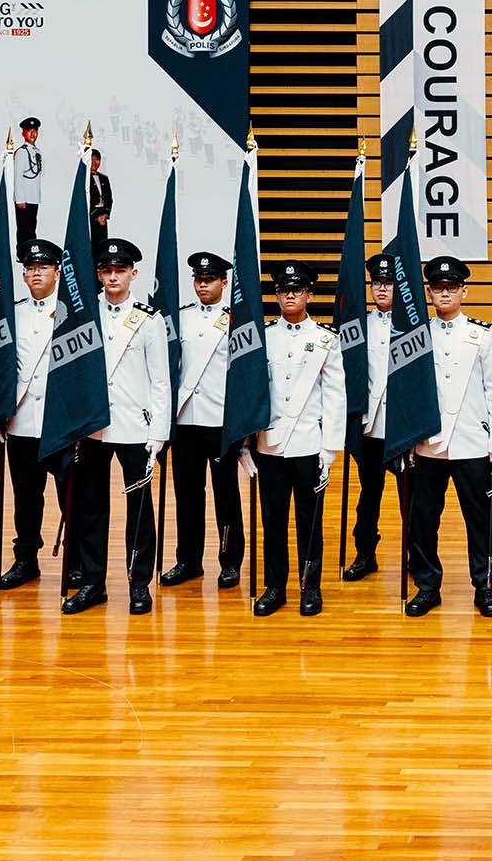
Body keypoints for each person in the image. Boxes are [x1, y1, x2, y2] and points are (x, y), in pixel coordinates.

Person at [62, 238, 169, 616]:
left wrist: (158, 433)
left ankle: (139, 583)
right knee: (90, 508)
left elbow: (160, 380)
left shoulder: (148, 319)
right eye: (106, 270)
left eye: (119, 270)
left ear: (132, 274)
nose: (112, 276)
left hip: (134, 427)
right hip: (92, 427)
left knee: (139, 509)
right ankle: (93, 583)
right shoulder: (86, 314)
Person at [405, 256, 492, 618]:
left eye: (451, 287)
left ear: (464, 290)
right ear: (429, 292)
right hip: (428, 445)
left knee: (481, 521)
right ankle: (427, 586)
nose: (444, 292)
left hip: (471, 444)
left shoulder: (483, 334)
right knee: (423, 521)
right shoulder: (418, 335)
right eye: (437, 287)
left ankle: (485, 586)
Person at [250, 259, 346, 617]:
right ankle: (274, 587)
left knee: (310, 521)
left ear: (309, 294)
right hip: (270, 445)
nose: (290, 295)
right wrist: (248, 445)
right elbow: (253, 394)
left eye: (297, 290)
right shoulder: (265, 337)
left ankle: (310, 587)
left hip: (309, 444)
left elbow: (336, 395)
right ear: (276, 296)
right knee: (273, 520)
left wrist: (330, 449)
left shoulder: (324, 339)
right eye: (283, 290)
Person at [163, 251, 244, 591]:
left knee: (226, 495)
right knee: (187, 494)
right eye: (198, 279)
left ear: (224, 283)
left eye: (210, 279)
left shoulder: (237, 320)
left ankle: (230, 561)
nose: (203, 284)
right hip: (186, 421)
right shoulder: (180, 319)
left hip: (219, 420)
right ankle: (189, 560)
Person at [0, 238, 68, 592]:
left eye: (42, 267)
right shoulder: (13, 311)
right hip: (22, 420)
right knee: (25, 496)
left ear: (58, 271)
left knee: (73, 497)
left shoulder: (76, 311)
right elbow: (0, 365)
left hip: (62, 421)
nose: (35, 272)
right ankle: (26, 559)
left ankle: (79, 562)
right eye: (29, 267)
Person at [343, 254, 400, 582]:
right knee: (369, 495)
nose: (381, 288)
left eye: (388, 283)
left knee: (413, 499)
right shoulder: (358, 326)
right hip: (369, 426)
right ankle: (365, 553)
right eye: (377, 283)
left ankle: (415, 553)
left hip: (403, 426)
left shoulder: (415, 324)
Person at [13, 116, 44, 244]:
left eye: (35, 131)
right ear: (23, 133)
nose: (33, 134)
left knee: (31, 227)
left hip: (33, 196)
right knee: (24, 229)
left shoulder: (37, 151)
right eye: (29, 131)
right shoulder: (21, 152)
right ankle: (22, 252)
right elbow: (18, 177)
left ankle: (31, 250)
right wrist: (20, 199)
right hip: (24, 198)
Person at [87, 148, 112, 253]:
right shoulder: (84, 179)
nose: (94, 162)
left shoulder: (104, 178)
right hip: (91, 218)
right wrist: (96, 216)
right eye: (91, 159)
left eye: (97, 159)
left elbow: (109, 199)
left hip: (103, 218)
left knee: (103, 246)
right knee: (91, 247)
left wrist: (105, 214)